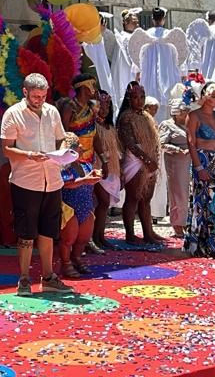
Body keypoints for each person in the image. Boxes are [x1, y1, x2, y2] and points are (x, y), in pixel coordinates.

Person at [0, 73, 74, 295]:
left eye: (43, 96)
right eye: (35, 96)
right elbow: (6, 148)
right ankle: (24, 278)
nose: (39, 100)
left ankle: (48, 276)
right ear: (25, 92)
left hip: (52, 179)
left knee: (48, 231)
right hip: (26, 181)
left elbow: (61, 137)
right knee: (26, 232)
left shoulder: (52, 112)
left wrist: (62, 152)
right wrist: (30, 155)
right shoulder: (13, 114)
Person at [57, 74, 102, 278]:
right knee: (70, 231)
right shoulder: (70, 107)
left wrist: (105, 159)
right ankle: (66, 263)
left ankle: (78, 258)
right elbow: (64, 135)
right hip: (71, 158)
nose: (94, 88)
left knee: (85, 230)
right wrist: (69, 154)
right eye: (91, 84)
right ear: (82, 86)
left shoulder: (91, 109)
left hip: (87, 159)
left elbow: (95, 135)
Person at [181, 81, 215, 257]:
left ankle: (214, 243)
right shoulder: (194, 115)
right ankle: (199, 244)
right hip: (202, 159)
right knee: (202, 202)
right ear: (204, 95)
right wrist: (198, 166)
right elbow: (191, 142)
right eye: (213, 96)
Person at [117, 82, 164, 244]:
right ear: (129, 99)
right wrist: (146, 159)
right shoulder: (126, 117)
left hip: (149, 162)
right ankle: (130, 234)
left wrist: (153, 160)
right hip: (136, 162)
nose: (140, 100)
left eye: (142, 97)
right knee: (133, 197)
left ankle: (148, 232)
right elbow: (129, 143)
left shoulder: (146, 116)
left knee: (146, 199)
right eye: (135, 97)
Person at [129, 7, 188, 107]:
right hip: (168, 76)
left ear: (152, 19)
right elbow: (179, 59)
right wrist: (182, 73)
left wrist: (138, 74)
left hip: (149, 76)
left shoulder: (146, 37)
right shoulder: (170, 38)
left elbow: (138, 60)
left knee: (150, 99)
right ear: (163, 19)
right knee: (169, 99)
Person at [157, 97, 191, 238]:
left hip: (189, 161)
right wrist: (178, 150)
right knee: (178, 192)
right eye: (184, 111)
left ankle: (186, 222)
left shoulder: (189, 124)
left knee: (187, 192)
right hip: (176, 162)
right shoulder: (167, 125)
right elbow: (162, 143)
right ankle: (177, 223)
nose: (186, 113)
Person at [90, 90, 119, 251]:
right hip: (96, 166)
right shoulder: (92, 125)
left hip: (109, 167)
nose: (105, 107)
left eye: (108, 104)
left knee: (104, 204)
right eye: (101, 103)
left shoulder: (108, 125)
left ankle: (100, 236)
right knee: (102, 202)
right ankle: (95, 237)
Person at [111, 9, 140, 104]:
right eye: (134, 22)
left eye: (137, 22)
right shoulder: (123, 38)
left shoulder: (133, 37)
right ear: (126, 23)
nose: (137, 25)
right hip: (126, 73)